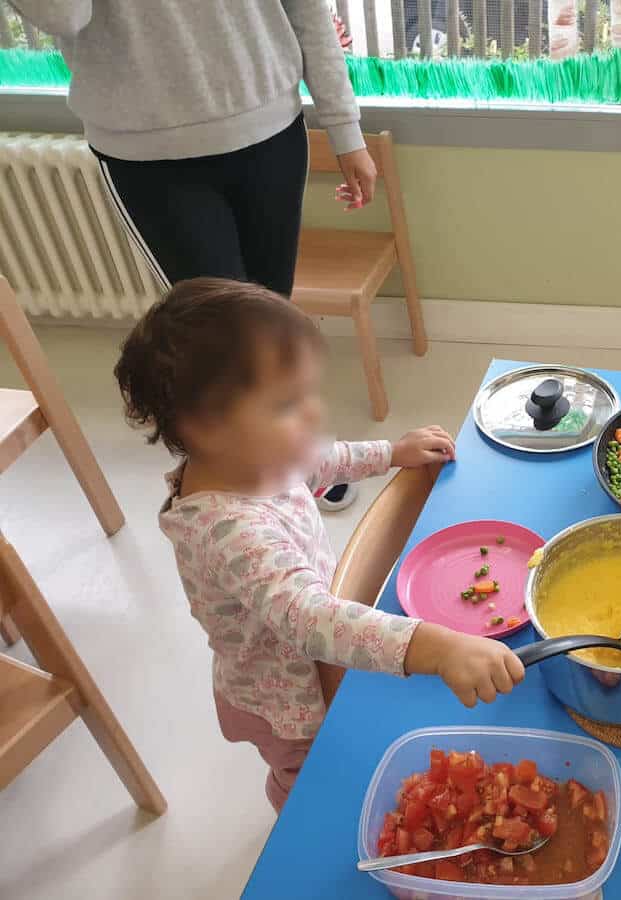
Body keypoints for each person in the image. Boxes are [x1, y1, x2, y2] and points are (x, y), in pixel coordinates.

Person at [114, 278, 525, 813]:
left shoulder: (257, 456)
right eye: (287, 404)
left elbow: (316, 460)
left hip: (318, 661)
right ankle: (292, 810)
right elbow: (312, 621)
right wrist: (438, 647)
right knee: (308, 779)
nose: (312, 413)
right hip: (286, 701)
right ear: (207, 428)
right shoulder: (228, 531)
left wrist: (390, 453)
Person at [19, 0, 375, 508]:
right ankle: (250, 482)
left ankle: (294, 453)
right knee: (221, 339)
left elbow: (308, 9)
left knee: (271, 319)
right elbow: (62, 16)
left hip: (269, 127)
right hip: (148, 153)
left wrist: (345, 128)